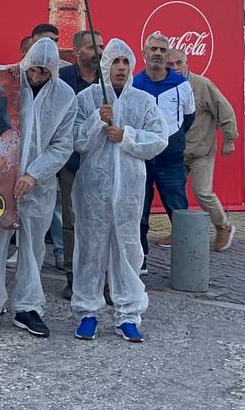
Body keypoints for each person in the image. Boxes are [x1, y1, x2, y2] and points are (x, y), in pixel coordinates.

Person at [0, 38, 75, 337]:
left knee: (32, 246)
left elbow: (62, 144)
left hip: (37, 187)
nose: (36, 76)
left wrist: (34, 174)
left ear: (53, 71)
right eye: (33, 70)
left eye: (43, 72)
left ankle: (28, 307)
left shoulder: (64, 96)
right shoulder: (5, 82)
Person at [72, 39, 168, 343]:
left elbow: (159, 138)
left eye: (126, 62)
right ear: (105, 66)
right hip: (93, 190)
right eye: (115, 62)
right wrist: (96, 121)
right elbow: (76, 140)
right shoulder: (87, 99)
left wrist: (126, 135)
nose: (121, 68)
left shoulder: (143, 101)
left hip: (128, 191)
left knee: (127, 250)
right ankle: (87, 313)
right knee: (90, 250)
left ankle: (128, 315)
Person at [167, 48, 239, 252]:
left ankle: (223, 226)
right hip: (176, 152)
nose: (175, 68)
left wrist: (229, 139)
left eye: (179, 63)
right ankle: (179, 231)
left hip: (201, 151)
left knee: (202, 192)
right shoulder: (165, 87)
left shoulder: (202, 85)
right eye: (170, 64)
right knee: (173, 193)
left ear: (187, 63)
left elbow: (225, 110)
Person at [133, 33, 195, 259]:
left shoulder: (182, 85)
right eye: (153, 49)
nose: (157, 53)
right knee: (138, 214)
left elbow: (189, 117)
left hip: (171, 161)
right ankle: (140, 260)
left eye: (162, 50)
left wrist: (173, 141)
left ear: (167, 54)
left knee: (178, 212)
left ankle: (187, 262)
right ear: (144, 53)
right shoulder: (134, 84)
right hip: (140, 159)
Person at [56, 30, 103, 298]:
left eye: (101, 47)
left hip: (103, 163)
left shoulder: (109, 80)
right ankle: (73, 278)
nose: (98, 52)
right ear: (76, 52)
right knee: (71, 222)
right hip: (71, 162)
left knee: (102, 221)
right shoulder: (62, 79)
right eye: (91, 47)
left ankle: (103, 279)